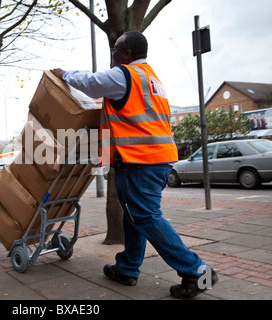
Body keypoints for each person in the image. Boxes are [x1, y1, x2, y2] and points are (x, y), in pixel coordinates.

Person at [51, 30, 217, 299]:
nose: (113, 54)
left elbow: (91, 83)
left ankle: (197, 271)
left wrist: (65, 74)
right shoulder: (152, 78)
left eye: (116, 49)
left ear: (127, 54)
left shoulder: (125, 75)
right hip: (158, 159)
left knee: (146, 216)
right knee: (134, 216)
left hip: (140, 160)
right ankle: (127, 268)